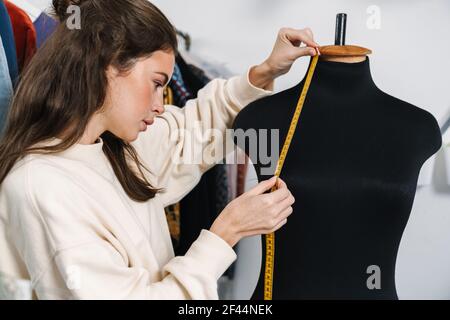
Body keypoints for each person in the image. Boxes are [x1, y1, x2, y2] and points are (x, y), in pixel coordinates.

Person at [0, 0, 319, 299]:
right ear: (107, 68)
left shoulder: (117, 148)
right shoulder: (42, 189)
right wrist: (226, 233)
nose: (159, 106)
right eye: (156, 84)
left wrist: (267, 70)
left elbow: (195, 129)